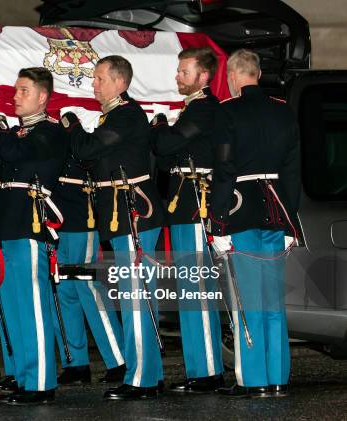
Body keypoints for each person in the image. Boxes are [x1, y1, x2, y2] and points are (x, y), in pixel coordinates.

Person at [61, 55, 166, 400]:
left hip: (133, 215)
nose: (94, 84)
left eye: (100, 78)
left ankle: (142, 379)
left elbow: (87, 149)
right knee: (136, 298)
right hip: (122, 217)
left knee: (137, 299)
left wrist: (73, 126)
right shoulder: (116, 117)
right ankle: (149, 373)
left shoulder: (127, 115)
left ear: (120, 83)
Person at [208, 49, 300, 398]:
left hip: (241, 212)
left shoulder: (227, 111)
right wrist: (291, 223)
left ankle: (256, 381)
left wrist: (218, 222)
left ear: (232, 76)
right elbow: (293, 171)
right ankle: (278, 377)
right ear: (258, 74)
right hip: (277, 213)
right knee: (274, 303)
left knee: (248, 301)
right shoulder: (283, 110)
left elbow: (225, 169)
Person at [151, 46, 225, 393]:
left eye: (184, 71)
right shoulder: (193, 109)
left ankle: (208, 371)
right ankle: (200, 368)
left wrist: (159, 126)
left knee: (197, 289)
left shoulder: (206, 109)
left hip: (197, 205)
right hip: (183, 205)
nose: (178, 76)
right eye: (179, 70)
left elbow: (169, 145)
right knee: (188, 290)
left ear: (204, 76)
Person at [0, 67, 67, 404]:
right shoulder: (19, 132)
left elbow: (14, 154)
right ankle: (24, 376)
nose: (15, 96)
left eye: (23, 90)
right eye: (16, 90)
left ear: (42, 96)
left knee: (33, 307)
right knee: (13, 305)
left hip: (30, 224)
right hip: (7, 223)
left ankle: (41, 382)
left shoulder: (49, 132)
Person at [52, 153, 126, 385]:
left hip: (81, 219)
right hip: (56, 222)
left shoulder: (81, 129)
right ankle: (75, 363)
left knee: (90, 292)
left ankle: (119, 360)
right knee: (64, 293)